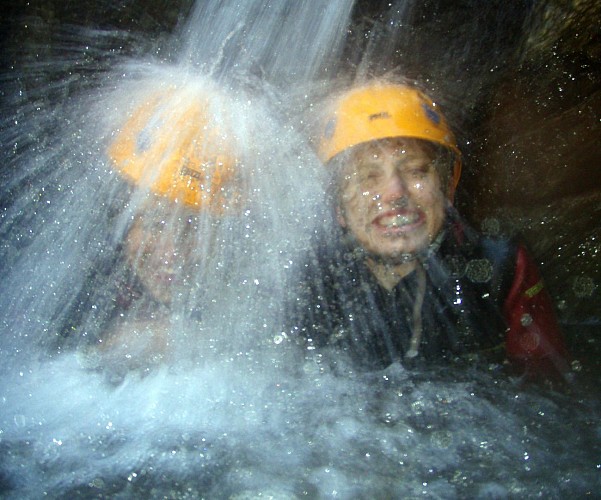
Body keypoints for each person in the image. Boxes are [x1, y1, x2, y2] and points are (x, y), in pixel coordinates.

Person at [289, 78, 572, 381]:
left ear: (448, 187)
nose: (395, 193)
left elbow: (547, 390)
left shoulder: (498, 268)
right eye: (367, 177)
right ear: (338, 208)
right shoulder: (313, 283)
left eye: (416, 170)